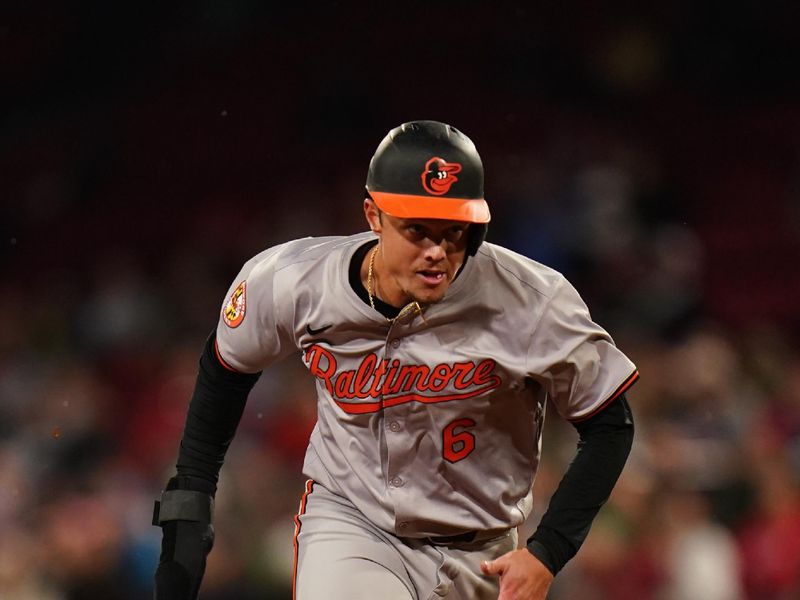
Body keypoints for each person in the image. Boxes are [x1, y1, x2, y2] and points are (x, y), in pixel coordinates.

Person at [152, 120, 638, 600]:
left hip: (484, 551)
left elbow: (610, 425)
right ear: (372, 214)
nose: (436, 252)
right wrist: (190, 498)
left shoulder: (533, 301)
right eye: (417, 230)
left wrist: (548, 549)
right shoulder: (293, 282)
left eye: (454, 232)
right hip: (354, 525)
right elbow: (226, 368)